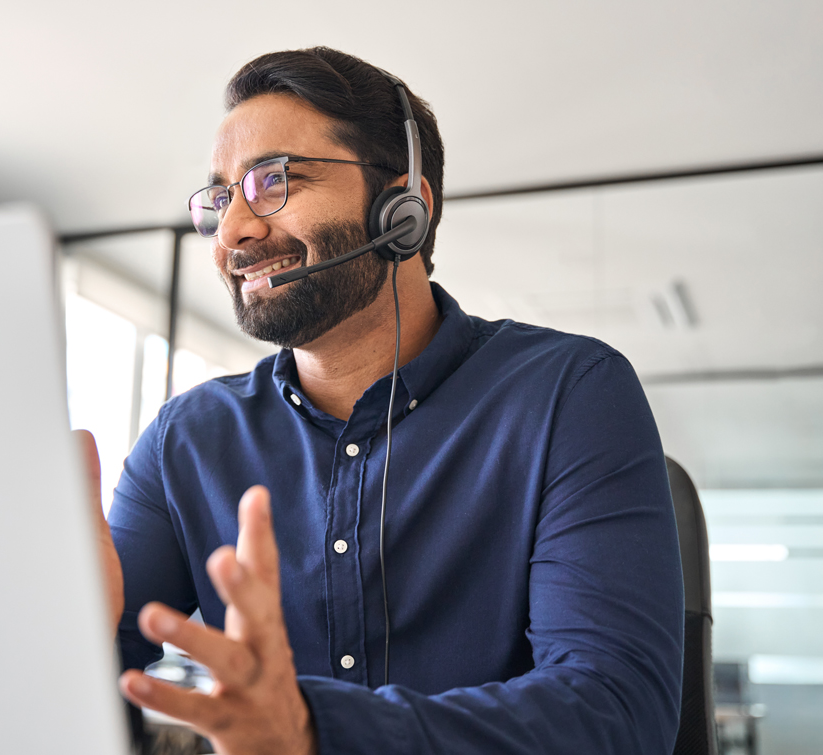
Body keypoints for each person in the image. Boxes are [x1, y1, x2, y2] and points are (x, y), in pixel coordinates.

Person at [96, 47, 684, 754]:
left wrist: (312, 730)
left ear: (405, 208)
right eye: (221, 199)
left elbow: (617, 711)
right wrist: (69, 642)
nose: (233, 232)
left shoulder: (567, 394)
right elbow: (78, 695)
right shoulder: (185, 440)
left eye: (274, 180)